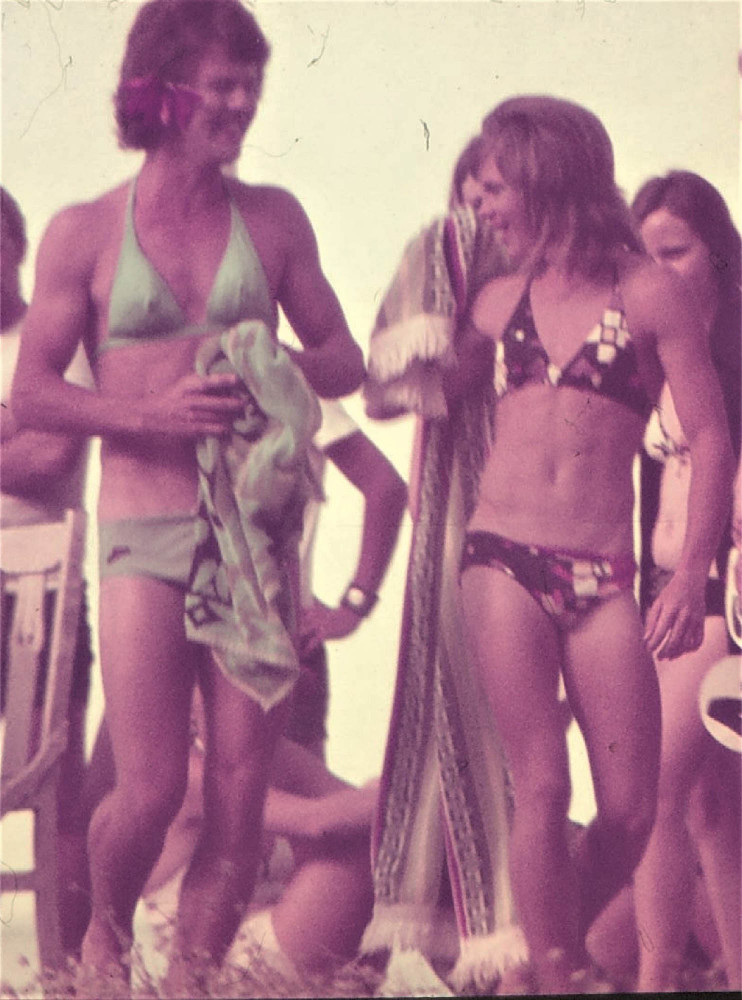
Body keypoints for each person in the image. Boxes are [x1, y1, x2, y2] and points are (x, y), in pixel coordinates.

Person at [10, 0, 364, 992]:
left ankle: (194, 982)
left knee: (244, 801)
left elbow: (338, 359)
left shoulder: (275, 219)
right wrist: (149, 416)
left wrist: (277, 357)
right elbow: (34, 391)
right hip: (142, 525)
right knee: (155, 785)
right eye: (224, 84)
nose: (245, 103)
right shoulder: (83, 232)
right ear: (161, 93)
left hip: (256, 537)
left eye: (253, 84)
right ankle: (103, 939)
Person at [451, 97, 734, 994]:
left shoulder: (646, 293)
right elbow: (414, 388)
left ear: (542, 177)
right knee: (542, 787)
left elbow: (714, 437)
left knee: (632, 806)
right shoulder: (496, 299)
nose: (485, 206)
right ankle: (562, 969)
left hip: (607, 575)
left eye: (495, 186)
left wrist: (692, 572)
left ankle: (544, 952)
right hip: (503, 557)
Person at [587, 171, 741, 992]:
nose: (659, 272)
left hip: (723, 597)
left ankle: (656, 978)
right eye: (642, 257)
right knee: (714, 812)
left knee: (650, 783)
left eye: (675, 252)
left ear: (718, 255)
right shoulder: (647, 358)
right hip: (659, 588)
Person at [0, 187, 96, 959]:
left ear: (17, 246)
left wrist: (27, 427)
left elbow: (49, 458)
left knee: (54, 785)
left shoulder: (53, 333)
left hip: (43, 591)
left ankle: (67, 970)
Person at [289, 397, 407, 759]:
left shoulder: (288, 376)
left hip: (284, 638)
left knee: (304, 801)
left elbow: (385, 487)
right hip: (193, 627)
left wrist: (355, 604)